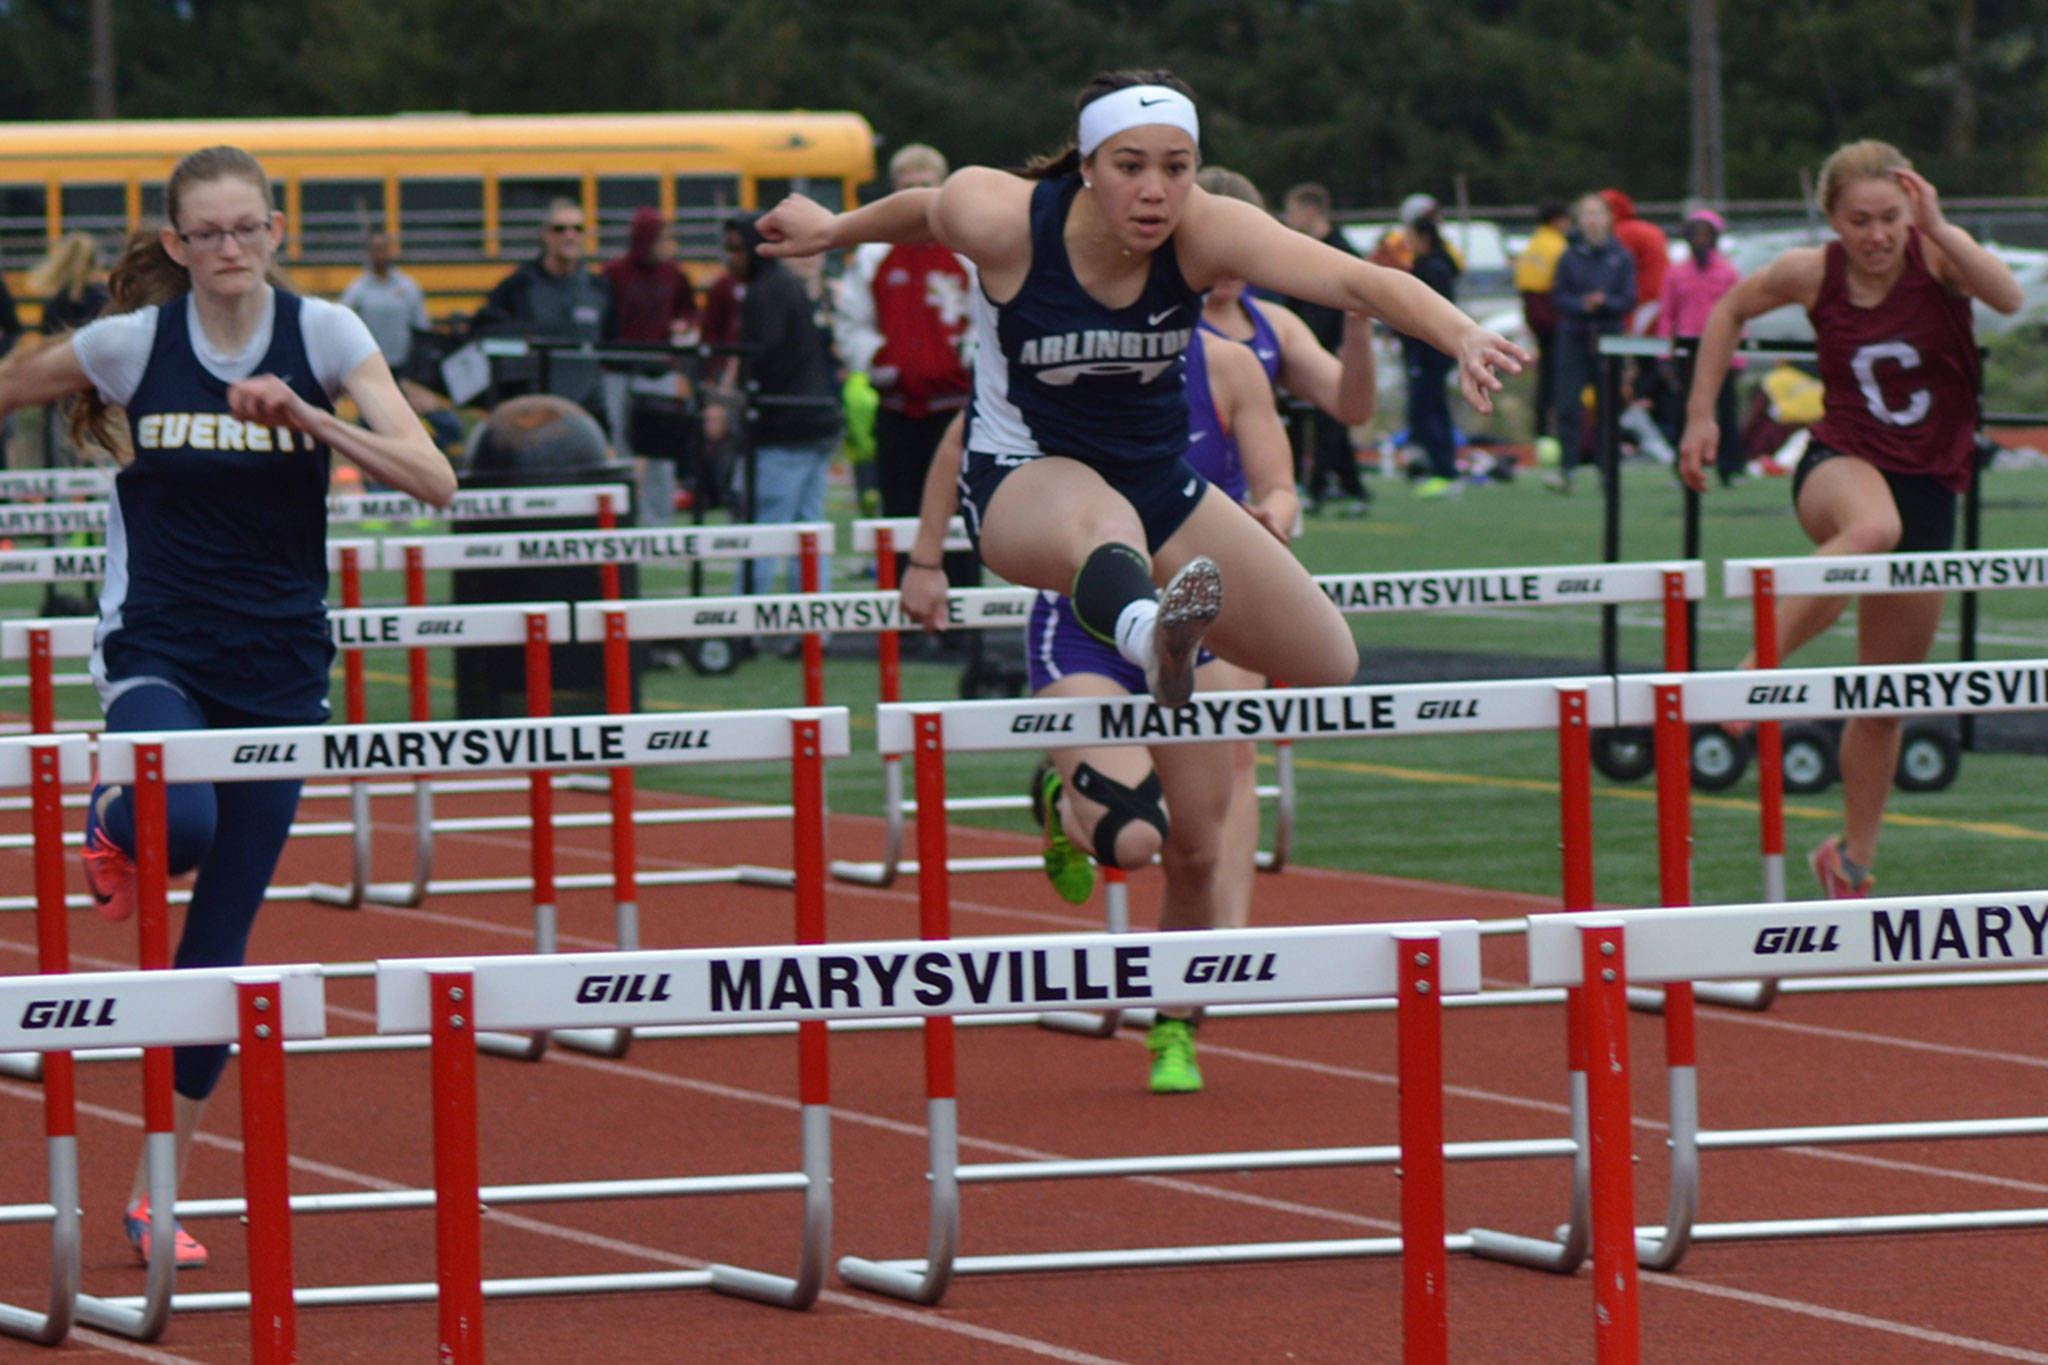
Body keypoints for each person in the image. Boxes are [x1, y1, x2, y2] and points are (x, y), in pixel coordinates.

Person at [761, 68, 1517, 992]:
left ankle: (1153, 663)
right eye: (1131, 167)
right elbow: (927, 209)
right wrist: (834, 228)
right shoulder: (1003, 217)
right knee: (1102, 519)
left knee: (1326, 658)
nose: (1156, 191)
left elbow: (1356, 277)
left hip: (1160, 486)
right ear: (1085, 165)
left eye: (1177, 167)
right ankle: (1151, 633)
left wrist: (1461, 333)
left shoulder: (1206, 229)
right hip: (1024, 480)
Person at [0, 145, 454, 1269]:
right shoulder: (132, 344)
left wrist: (311, 419)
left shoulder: (327, 334)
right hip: (158, 642)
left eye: (246, 227)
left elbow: (435, 479)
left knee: (218, 945)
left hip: (280, 663)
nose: (229, 248)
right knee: (186, 821)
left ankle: (155, 1190)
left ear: (276, 231)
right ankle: (117, 819)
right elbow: (12, 383)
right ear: (176, 245)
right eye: (206, 233)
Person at [913, 163, 1376, 1094]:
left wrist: (1273, 515)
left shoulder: (1240, 358)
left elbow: (1294, 464)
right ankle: (1071, 803)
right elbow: (967, 442)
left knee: (1197, 839)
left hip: (1199, 604)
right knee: (1132, 837)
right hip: (1088, 615)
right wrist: (928, 559)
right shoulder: (1068, 337)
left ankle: (1177, 1015)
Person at [1678, 140, 2020, 899]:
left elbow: (2008, 298)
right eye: (1859, 221)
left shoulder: (1938, 258)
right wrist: (1702, 414)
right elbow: (1729, 310)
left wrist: (1940, 225)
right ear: (1832, 219)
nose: (1876, 236)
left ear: (1911, 211)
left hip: (1930, 484)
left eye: (1890, 218)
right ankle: (1752, 672)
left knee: (1885, 695)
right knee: (1871, 531)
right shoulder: (1811, 272)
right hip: (1841, 463)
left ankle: (1851, 861)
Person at [835, 143, 979, 591]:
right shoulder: (873, 254)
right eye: (907, 186)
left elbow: (991, 316)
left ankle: (963, 609)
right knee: (898, 512)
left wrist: (965, 357)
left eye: (925, 184)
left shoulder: (969, 247)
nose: (917, 195)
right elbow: (851, 322)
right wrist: (880, 360)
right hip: (895, 408)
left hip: (955, 408)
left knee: (960, 515)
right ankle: (902, 607)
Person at [710, 211, 842, 595]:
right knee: (808, 532)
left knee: (765, 531)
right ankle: (813, 617)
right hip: (815, 419)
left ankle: (747, 615)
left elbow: (760, 356)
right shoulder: (782, 285)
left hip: (787, 425)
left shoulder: (765, 291)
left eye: (737, 248)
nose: (730, 257)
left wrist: (729, 404)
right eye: (727, 248)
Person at [1275, 182, 1374, 516]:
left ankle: (1316, 490)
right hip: (1302, 348)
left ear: (1311, 211)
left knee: (1330, 422)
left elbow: (1356, 304)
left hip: (1332, 350)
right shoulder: (1299, 251)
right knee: (1303, 420)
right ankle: (1350, 487)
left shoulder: (1343, 252)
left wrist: (1350, 346)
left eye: (1292, 211)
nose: (1287, 218)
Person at [603, 207, 700, 528]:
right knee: (622, 447)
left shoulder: (674, 274)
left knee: (661, 450)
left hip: (659, 369)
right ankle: (622, 518)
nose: (668, 244)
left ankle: (659, 521)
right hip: (619, 369)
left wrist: (684, 326)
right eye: (662, 238)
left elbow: (689, 311)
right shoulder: (614, 273)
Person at [472, 198, 612, 415]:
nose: (570, 235)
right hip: (531, 410)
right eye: (560, 229)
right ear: (545, 234)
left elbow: (611, 345)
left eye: (578, 229)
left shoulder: (599, 289)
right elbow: (487, 334)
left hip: (587, 411)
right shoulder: (518, 286)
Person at [1545, 192, 1635, 492]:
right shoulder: (1569, 257)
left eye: (1598, 213)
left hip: (1609, 338)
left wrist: (1605, 303)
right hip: (1574, 337)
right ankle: (1567, 469)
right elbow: (1559, 296)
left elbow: (1628, 298)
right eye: (1587, 214)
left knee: (1608, 405)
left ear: (1608, 218)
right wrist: (1582, 305)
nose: (1593, 220)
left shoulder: (1621, 257)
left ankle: (1607, 469)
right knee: (1568, 403)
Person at [1659, 207, 1745, 484]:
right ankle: (1684, 466)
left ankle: (1730, 468)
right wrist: (1664, 355)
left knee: (1727, 411)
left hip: (1721, 351)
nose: (1700, 239)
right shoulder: (1676, 274)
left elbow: (1740, 315)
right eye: (1695, 234)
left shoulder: (1728, 273)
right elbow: (1667, 315)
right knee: (1683, 410)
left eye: (1706, 234)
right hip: (1688, 351)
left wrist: (1739, 356)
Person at [1402, 209, 1463, 498]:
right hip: (1430, 350)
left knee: (1428, 412)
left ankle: (1444, 470)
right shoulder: (1430, 265)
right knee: (1434, 410)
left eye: (1411, 237)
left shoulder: (1432, 269)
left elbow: (1427, 313)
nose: (1407, 242)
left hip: (1429, 351)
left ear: (1424, 238)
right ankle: (1440, 468)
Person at [1515, 198, 1570, 462]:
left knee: (1545, 377)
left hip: (1533, 312)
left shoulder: (1532, 245)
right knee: (1559, 376)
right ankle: (1559, 432)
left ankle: (1541, 431)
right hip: (1551, 312)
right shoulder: (1558, 246)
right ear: (1558, 220)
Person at [338, 229, 429, 372]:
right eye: (376, 249)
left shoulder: (408, 287)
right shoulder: (356, 290)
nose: (380, 254)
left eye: (383, 248)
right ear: (369, 253)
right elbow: (343, 325)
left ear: (390, 251)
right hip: (369, 366)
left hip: (403, 366)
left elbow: (421, 326)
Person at [1601, 187, 1669, 337]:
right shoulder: (1646, 228)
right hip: (1661, 292)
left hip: (1644, 297)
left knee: (1632, 343)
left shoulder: (1622, 232)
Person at [29, 231, 110, 335]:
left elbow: (47, 335)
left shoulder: (55, 299)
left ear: (62, 261)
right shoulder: (103, 297)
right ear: (95, 262)